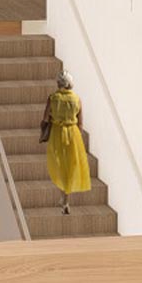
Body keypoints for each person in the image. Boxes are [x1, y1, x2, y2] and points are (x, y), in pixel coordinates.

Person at [39, 72, 91, 217]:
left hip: (57, 133)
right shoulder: (77, 99)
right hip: (73, 134)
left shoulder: (53, 98)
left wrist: (45, 128)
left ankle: (64, 198)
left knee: (60, 165)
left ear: (58, 83)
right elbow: (80, 123)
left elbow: (45, 118)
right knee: (70, 166)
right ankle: (65, 200)